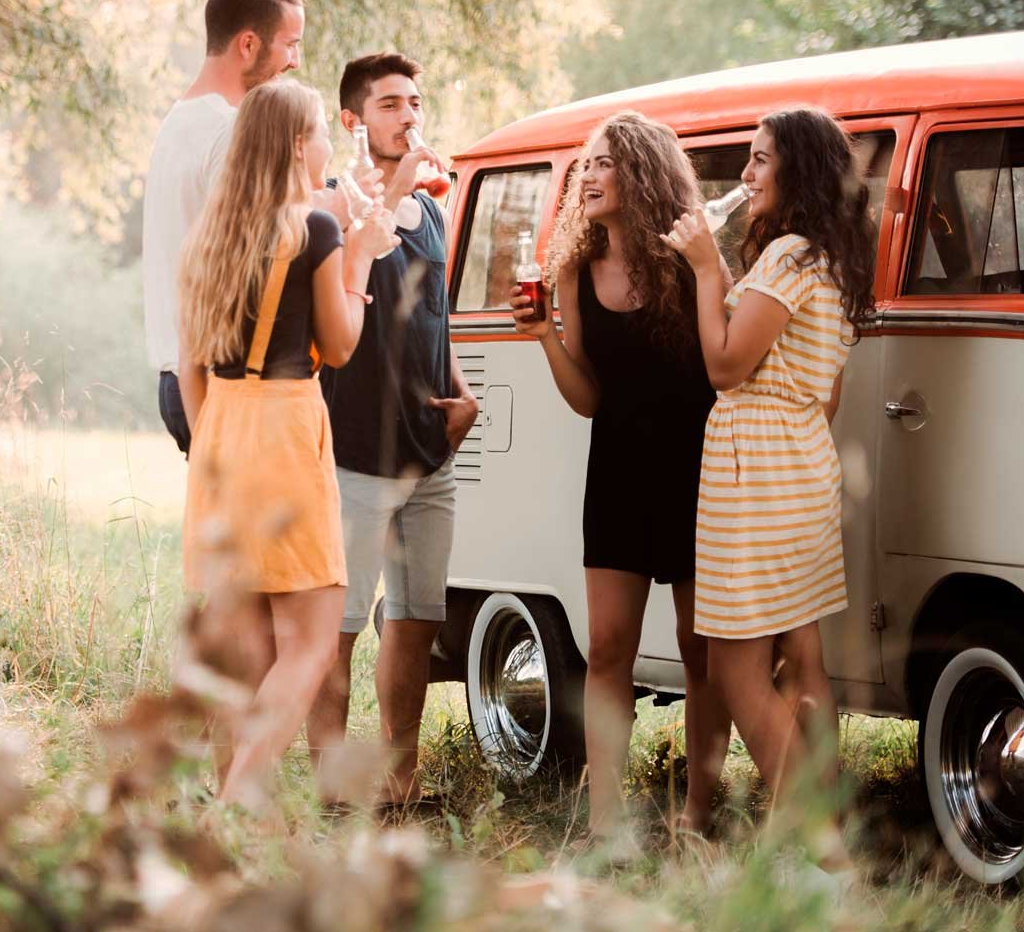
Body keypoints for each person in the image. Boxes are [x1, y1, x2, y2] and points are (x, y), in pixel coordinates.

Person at [663, 105, 876, 871]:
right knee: (805, 659)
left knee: (735, 669)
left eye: (758, 160)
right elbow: (828, 398)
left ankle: (818, 843)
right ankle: (824, 838)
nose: (745, 174)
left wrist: (699, 266)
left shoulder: (788, 256)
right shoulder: (835, 260)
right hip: (804, 460)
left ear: (797, 171)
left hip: (756, 471)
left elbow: (723, 365)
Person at [509, 111, 734, 837]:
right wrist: (544, 334)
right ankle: (607, 822)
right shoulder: (571, 266)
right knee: (607, 648)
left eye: (605, 162)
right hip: (617, 470)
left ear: (640, 172)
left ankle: (699, 813)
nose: (588, 175)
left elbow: (724, 364)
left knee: (703, 650)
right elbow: (588, 400)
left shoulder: (689, 259)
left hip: (697, 469)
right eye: (586, 164)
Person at [177, 78, 396, 808]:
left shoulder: (210, 234)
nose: (330, 149)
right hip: (284, 426)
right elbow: (337, 347)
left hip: (221, 430)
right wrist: (364, 258)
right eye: (322, 136)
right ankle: (241, 798)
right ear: (301, 144)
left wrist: (212, 444)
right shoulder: (315, 230)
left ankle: (238, 816)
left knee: (243, 650)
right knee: (308, 641)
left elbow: (188, 364)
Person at [308, 52, 479, 807]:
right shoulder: (333, 203)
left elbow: (432, 321)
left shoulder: (436, 210)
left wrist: (463, 393)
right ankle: (334, 789)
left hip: (429, 458)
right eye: (388, 105)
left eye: (414, 102)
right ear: (353, 119)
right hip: (354, 455)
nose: (409, 116)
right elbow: (329, 319)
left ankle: (400, 784)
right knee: (336, 630)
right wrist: (397, 186)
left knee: (415, 623)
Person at [144, 0, 304, 457]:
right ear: (249, 43)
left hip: (179, 374)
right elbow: (251, 255)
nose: (295, 61)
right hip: (217, 377)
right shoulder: (229, 128)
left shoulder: (179, 119)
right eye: (290, 44)